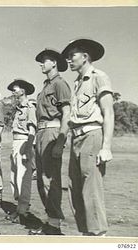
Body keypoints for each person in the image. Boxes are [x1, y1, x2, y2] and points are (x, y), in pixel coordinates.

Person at [62, 39, 114, 236]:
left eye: (72, 55)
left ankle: (98, 235)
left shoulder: (99, 77)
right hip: (76, 138)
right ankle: (86, 234)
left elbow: (108, 113)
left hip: (92, 136)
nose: (68, 60)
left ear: (85, 56)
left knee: (91, 189)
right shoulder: (76, 83)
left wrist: (106, 146)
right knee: (74, 189)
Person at [32, 49, 71, 235]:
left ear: (54, 62)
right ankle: (51, 220)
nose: (41, 64)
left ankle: (54, 224)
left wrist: (60, 141)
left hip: (52, 132)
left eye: (44, 61)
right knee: (41, 180)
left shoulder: (60, 84)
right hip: (41, 132)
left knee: (50, 180)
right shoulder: (46, 86)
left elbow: (67, 115)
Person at [6, 79, 37, 225]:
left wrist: (28, 149)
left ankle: (23, 210)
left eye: (15, 89)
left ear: (23, 91)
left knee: (22, 179)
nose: (13, 92)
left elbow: (32, 131)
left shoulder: (30, 107)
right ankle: (19, 208)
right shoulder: (18, 108)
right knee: (14, 178)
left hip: (24, 143)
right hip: (16, 142)